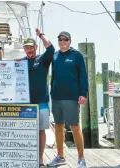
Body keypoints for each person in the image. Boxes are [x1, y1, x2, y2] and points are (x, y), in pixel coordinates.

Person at [47, 31, 88, 168]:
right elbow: (52, 75)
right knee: (58, 126)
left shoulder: (77, 55)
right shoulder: (55, 55)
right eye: (60, 39)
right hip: (57, 97)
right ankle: (60, 156)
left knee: (75, 127)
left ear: (70, 41)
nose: (63, 42)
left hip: (71, 97)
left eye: (65, 39)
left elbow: (83, 75)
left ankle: (81, 159)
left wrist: (83, 93)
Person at [16, 28, 55, 168]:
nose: (29, 49)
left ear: (36, 47)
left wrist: (41, 35)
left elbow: (51, 49)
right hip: (25, 103)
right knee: (26, 131)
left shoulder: (42, 59)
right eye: (27, 47)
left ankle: (39, 159)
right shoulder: (20, 62)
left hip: (41, 101)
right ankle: (27, 157)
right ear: (24, 49)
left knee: (41, 131)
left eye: (31, 47)